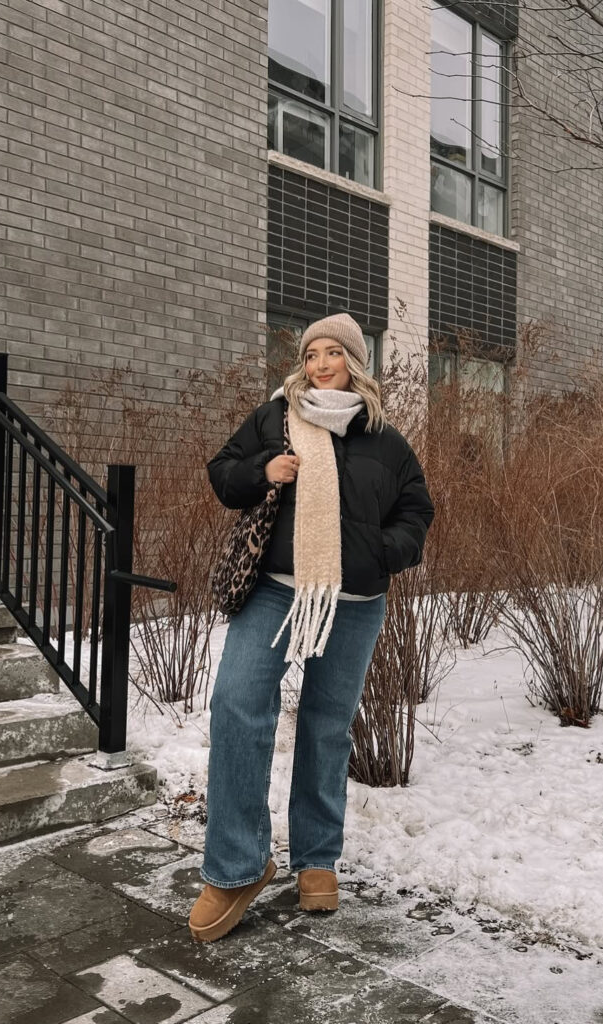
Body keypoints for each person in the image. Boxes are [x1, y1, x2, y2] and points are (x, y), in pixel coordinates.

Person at [188, 312, 434, 943]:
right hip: (276, 591)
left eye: (334, 352)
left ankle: (317, 858)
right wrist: (262, 471)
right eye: (312, 352)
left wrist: (386, 551)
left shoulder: (385, 438)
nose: (321, 362)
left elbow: (416, 507)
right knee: (237, 705)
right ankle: (238, 865)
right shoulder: (274, 416)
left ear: (355, 361)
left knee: (327, 726)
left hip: (353, 601)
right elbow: (223, 472)